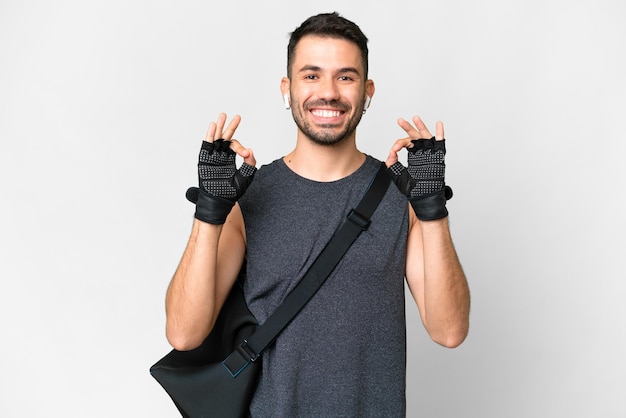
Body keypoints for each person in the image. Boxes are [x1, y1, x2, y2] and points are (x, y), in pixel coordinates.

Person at [164, 12, 470, 417]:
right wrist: (210, 212)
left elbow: (449, 331)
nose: (328, 92)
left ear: (367, 91)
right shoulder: (249, 198)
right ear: (286, 89)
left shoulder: (402, 199)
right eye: (311, 76)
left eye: (345, 77)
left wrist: (432, 211)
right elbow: (184, 334)